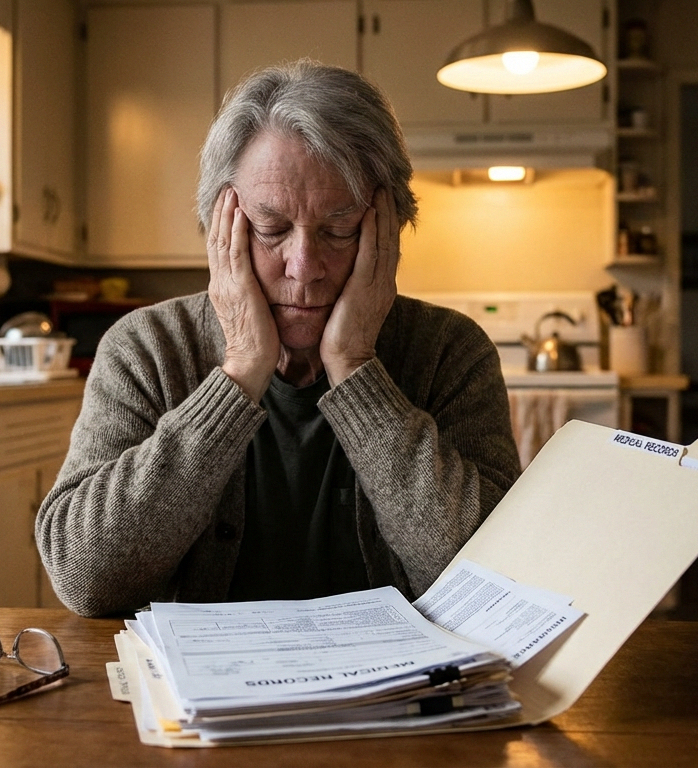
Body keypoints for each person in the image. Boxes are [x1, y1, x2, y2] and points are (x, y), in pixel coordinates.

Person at [37, 60, 519, 617]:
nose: (303, 265)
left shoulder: (451, 351)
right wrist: (240, 370)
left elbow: (494, 583)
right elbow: (87, 580)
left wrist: (357, 368)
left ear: (388, 227)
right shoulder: (145, 348)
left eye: (339, 231)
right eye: (271, 230)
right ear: (222, 224)